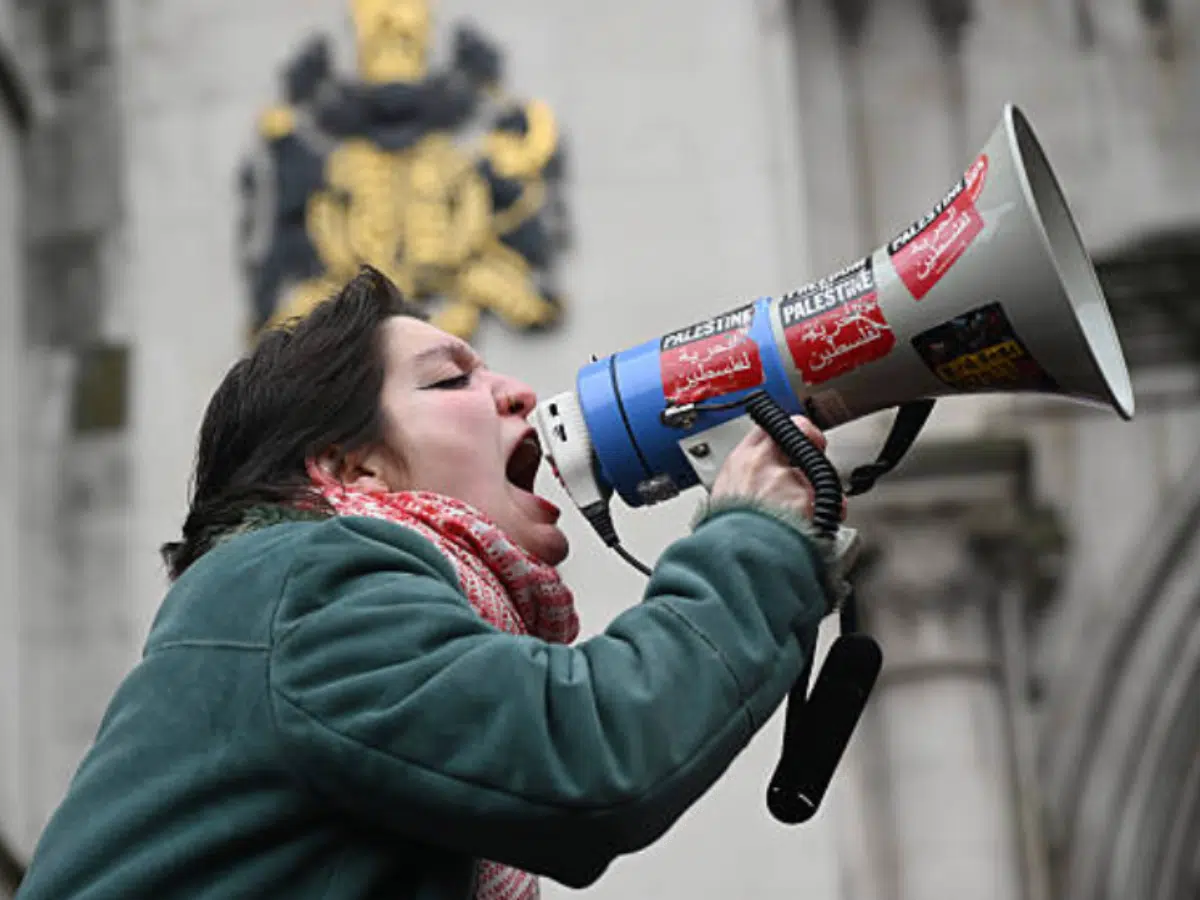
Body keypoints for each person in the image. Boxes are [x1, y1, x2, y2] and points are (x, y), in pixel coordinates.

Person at [17, 267, 838, 899]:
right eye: (451, 382)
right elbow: (591, 752)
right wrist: (753, 540)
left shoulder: (282, 600)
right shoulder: (306, 582)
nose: (519, 392)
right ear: (353, 467)